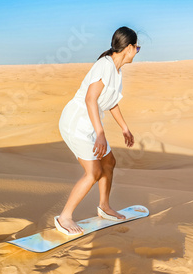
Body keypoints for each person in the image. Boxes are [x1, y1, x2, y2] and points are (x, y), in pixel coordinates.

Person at [54, 26, 140, 235]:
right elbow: (90, 99)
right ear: (128, 47)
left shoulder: (116, 71)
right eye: (137, 48)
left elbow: (110, 103)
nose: (137, 52)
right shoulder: (104, 65)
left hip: (91, 125)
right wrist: (100, 134)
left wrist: (124, 128)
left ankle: (104, 206)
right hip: (76, 124)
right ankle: (64, 217)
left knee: (109, 162)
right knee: (93, 172)